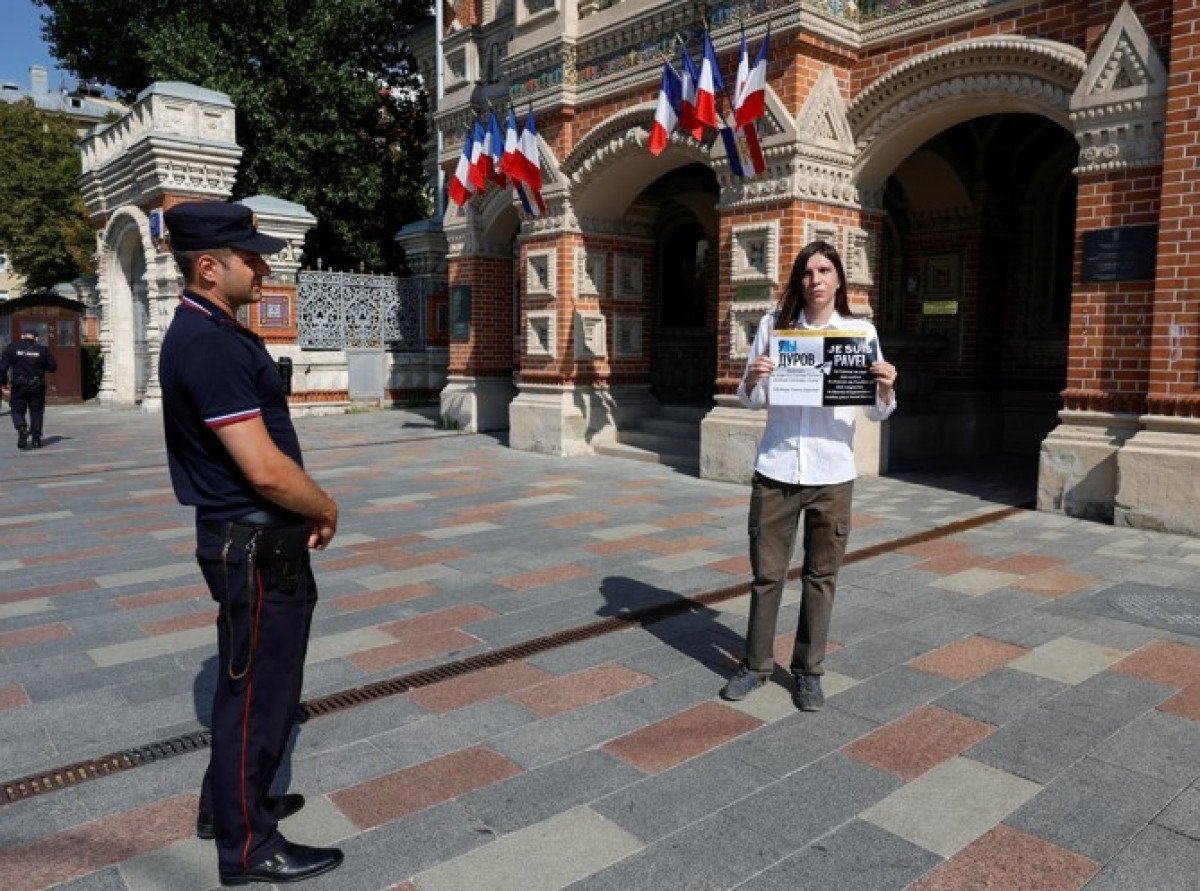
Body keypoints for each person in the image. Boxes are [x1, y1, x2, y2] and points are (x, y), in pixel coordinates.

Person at [159, 200, 343, 886]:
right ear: (209, 267)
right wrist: (324, 505)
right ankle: (248, 846)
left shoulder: (212, 329)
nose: (262, 265)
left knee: (255, 687)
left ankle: (229, 806)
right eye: (250, 256)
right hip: (255, 547)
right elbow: (263, 468)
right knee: (259, 695)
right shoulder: (207, 343)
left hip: (255, 544)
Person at [720, 240, 897, 711]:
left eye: (824, 271)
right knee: (767, 574)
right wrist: (755, 377)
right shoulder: (774, 329)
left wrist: (885, 387)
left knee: (822, 575)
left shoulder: (860, 333)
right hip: (776, 467)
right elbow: (750, 399)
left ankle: (808, 671)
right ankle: (755, 665)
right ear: (799, 281)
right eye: (807, 272)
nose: (815, 280)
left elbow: (875, 413)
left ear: (839, 279)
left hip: (832, 472)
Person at [0, 328, 58, 449]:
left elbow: (2, 368)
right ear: (35, 338)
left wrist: (3, 384)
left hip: (18, 385)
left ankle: (21, 428)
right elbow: (52, 367)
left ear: (22, 336)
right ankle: (36, 440)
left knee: (16, 410)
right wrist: (40, 367)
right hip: (37, 385)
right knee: (36, 411)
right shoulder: (42, 349)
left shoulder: (12, 348)